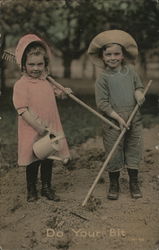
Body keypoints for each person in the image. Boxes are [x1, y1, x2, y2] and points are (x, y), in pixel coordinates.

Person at [13, 34, 71, 202]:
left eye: (40, 64)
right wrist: (38, 127)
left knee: (48, 157)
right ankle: (31, 189)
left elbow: (58, 93)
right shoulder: (21, 85)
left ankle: (46, 187)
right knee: (33, 159)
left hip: (50, 127)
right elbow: (22, 109)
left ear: (45, 65)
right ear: (24, 65)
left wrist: (64, 91)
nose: (36, 68)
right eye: (31, 64)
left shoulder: (47, 81)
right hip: (32, 128)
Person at [88, 30, 145, 200]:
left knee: (134, 148)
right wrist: (118, 119)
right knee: (114, 152)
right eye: (108, 54)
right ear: (102, 57)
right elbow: (102, 103)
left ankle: (133, 182)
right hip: (113, 120)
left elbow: (138, 87)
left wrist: (139, 94)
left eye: (116, 54)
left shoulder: (131, 72)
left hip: (134, 118)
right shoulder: (103, 78)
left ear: (122, 56)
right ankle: (114, 184)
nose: (112, 57)